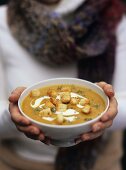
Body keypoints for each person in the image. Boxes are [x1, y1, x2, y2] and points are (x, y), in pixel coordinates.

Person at [0, 0, 126, 170]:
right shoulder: (2, 21)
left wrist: (108, 115)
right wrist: (13, 117)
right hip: (17, 163)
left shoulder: (113, 14)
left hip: (100, 163)